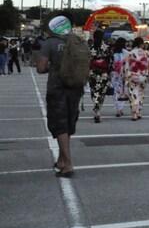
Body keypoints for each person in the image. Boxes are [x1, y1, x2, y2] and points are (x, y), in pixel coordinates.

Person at [36, 14, 85, 178]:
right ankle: (61, 160)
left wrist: (55, 67)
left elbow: (40, 68)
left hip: (57, 88)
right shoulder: (78, 41)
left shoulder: (49, 43)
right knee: (68, 122)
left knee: (59, 124)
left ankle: (68, 164)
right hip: (76, 88)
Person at [123, 37, 149, 121]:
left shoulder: (130, 53)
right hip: (143, 76)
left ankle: (134, 113)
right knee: (141, 94)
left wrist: (125, 76)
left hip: (133, 75)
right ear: (141, 44)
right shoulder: (146, 53)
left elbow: (125, 66)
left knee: (133, 94)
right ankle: (138, 111)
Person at [88, 29, 114, 123]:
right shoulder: (106, 48)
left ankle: (96, 110)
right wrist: (110, 70)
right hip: (104, 72)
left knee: (94, 91)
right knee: (102, 92)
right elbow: (111, 61)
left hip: (93, 73)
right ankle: (98, 109)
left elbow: (88, 61)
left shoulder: (91, 48)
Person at [111, 37, 129, 117]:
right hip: (123, 73)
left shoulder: (113, 52)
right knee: (123, 90)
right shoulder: (126, 52)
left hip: (115, 74)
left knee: (116, 91)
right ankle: (120, 109)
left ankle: (118, 109)